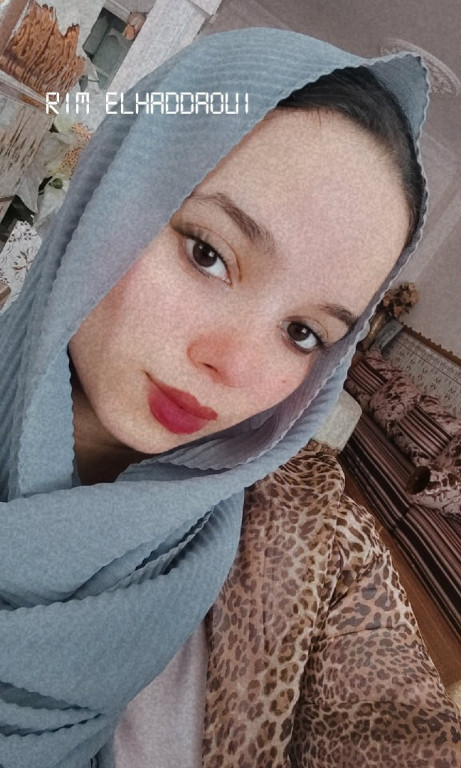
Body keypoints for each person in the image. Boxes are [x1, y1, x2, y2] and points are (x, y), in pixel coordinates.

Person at [0, 26, 459, 768]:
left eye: (303, 333)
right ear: (110, 194)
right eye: (208, 254)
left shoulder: (308, 566)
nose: (235, 365)